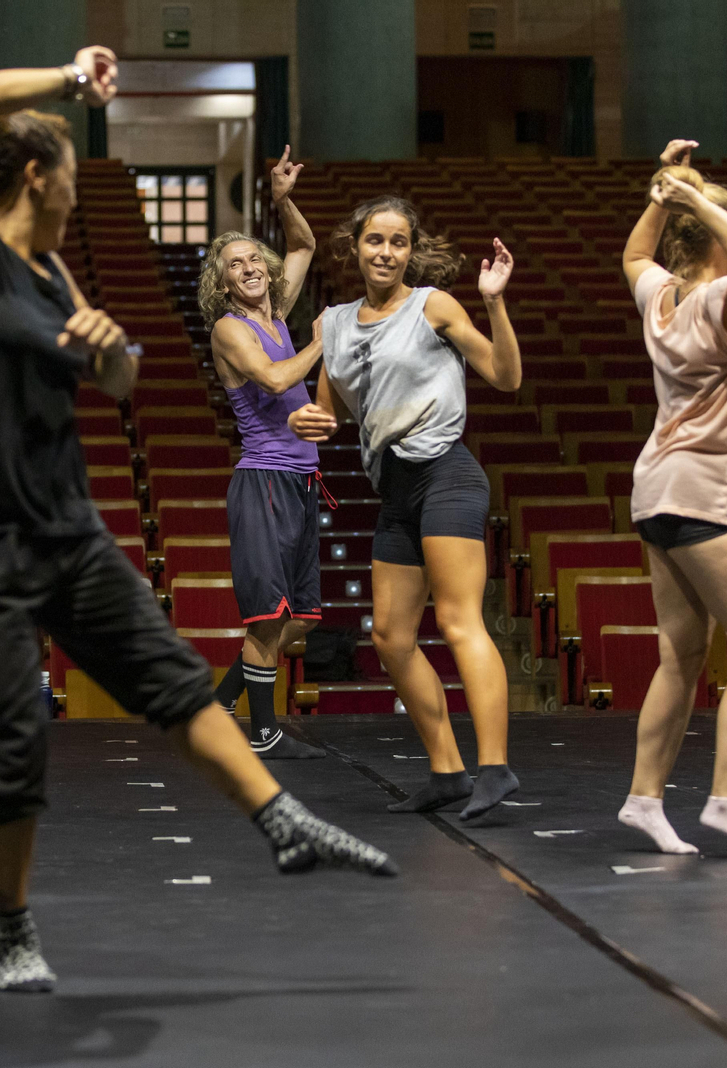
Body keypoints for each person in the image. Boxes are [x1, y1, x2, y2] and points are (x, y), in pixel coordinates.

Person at [0, 46, 395, 994]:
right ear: (38, 176)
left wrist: (110, 352)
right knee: (9, 751)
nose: (80, 195)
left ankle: (280, 821)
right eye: (74, 177)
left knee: (170, 677)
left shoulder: (50, 274)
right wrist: (75, 83)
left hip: (61, 521)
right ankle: (13, 924)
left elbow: (118, 378)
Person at [289, 197, 521, 821]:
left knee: (457, 620)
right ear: (355, 247)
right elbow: (330, 411)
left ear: (411, 251)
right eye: (374, 240)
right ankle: (447, 771)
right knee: (391, 638)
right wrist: (308, 421)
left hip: (446, 474)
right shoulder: (333, 323)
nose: (385, 252)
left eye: (397, 242)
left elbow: (505, 376)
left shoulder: (432, 306)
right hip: (394, 491)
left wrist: (494, 302)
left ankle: (494, 768)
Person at [614, 140, 727, 855]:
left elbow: (632, 258)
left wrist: (661, 195)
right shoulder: (724, 302)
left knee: (682, 656)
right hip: (703, 492)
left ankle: (643, 799)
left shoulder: (660, 296)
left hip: (658, 488)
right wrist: (694, 202)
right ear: (719, 240)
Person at [197, 145, 326, 760]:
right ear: (220, 282)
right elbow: (276, 381)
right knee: (265, 620)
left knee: (294, 620)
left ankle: (219, 704)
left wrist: (282, 201)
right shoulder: (231, 327)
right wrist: (321, 341)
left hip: (301, 480)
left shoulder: (276, 308)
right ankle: (265, 732)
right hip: (264, 480)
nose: (247, 267)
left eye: (253, 258)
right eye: (234, 263)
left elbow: (303, 248)